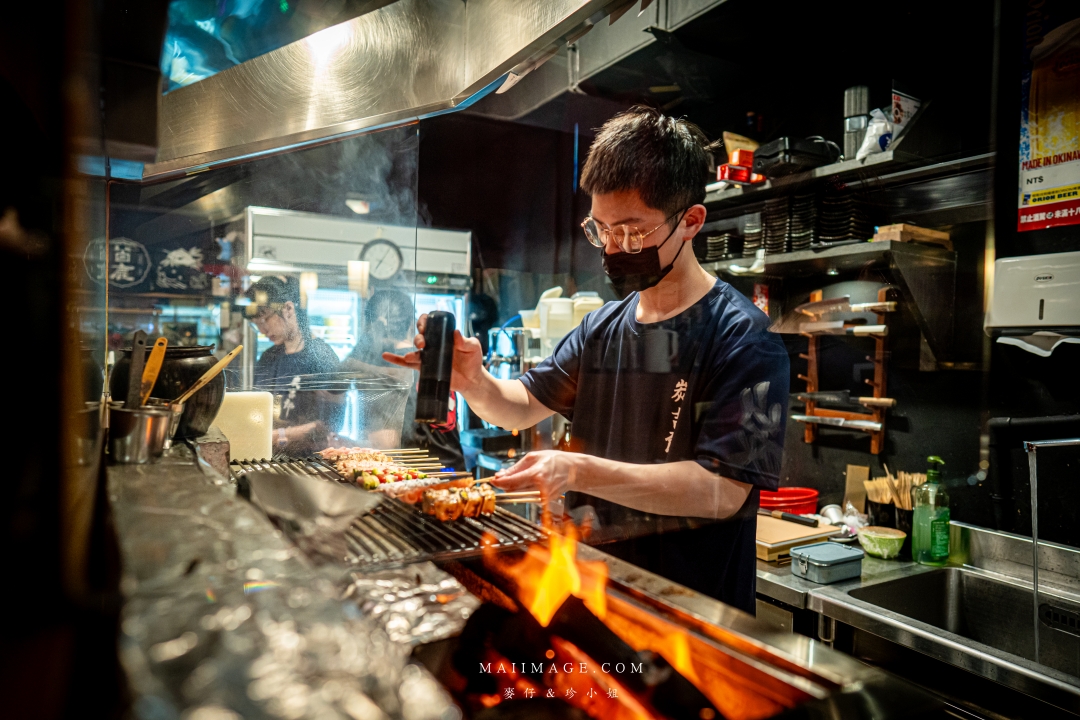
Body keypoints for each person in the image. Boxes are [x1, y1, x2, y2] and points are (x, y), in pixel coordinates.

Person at [384, 106, 790, 614]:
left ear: (690, 222)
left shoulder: (742, 338)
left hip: (690, 617)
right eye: (601, 230)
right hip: (597, 598)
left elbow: (721, 491)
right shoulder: (602, 329)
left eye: (633, 231)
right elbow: (521, 405)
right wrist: (473, 381)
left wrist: (575, 470)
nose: (615, 248)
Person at [246, 275, 341, 454]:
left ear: (288, 308)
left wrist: (277, 435)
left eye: (265, 319)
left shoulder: (321, 356)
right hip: (269, 458)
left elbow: (328, 426)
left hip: (309, 463)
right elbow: (257, 410)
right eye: (256, 324)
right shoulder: (268, 357)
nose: (262, 329)